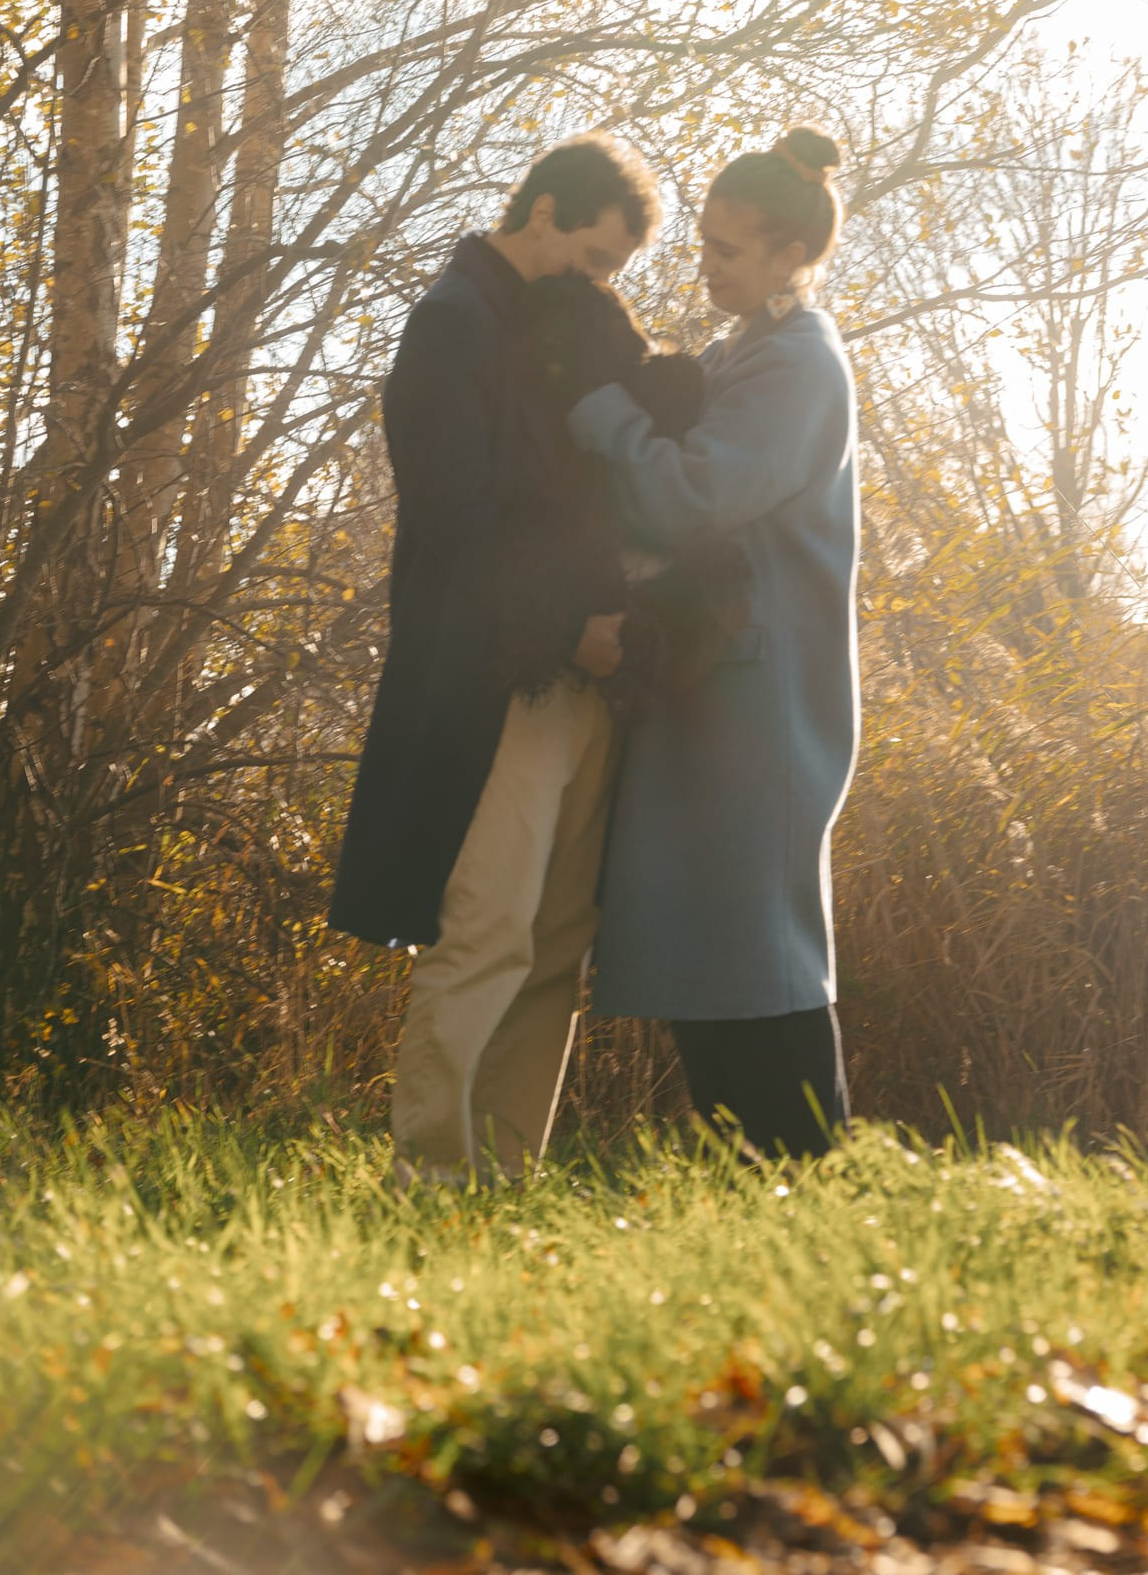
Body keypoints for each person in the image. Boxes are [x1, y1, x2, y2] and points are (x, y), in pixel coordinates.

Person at [328, 133, 661, 1179]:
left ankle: (504, 1178)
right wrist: (570, 628)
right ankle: (430, 1176)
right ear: (545, 210)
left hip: (581, 680)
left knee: (556, 942)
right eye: (595, 259)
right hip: (492, 676)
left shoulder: (546, 328)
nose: (598, 285)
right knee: (486, 933)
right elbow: (454, 523)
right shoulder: (452, 323)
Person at [562, 127, 859, 1159]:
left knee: (756, 943)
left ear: (791, 257)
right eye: (705, 242)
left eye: (729, 250)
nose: (707, 264)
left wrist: (600, 411)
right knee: (707, 938)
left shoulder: (798, 368)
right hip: (718, 691)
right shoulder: (748, 354)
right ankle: (757, 1167)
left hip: (763, 703)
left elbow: (694, 497)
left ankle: (803, 1164)